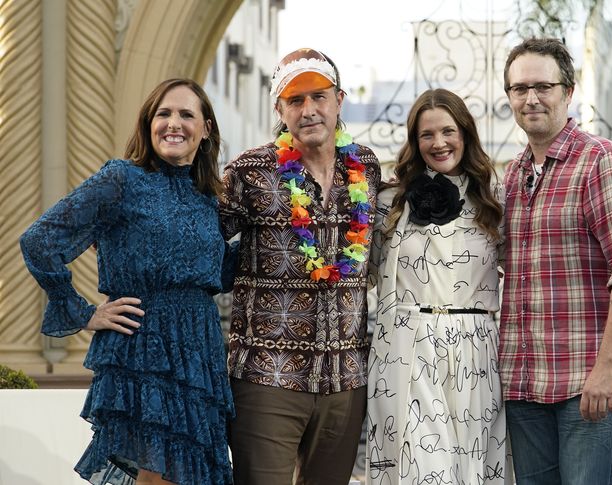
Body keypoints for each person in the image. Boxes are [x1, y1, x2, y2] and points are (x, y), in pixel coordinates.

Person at [20, 78, 235, 485]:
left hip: (200, 350)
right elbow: (40, 241)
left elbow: (214, 274)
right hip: (145, 347)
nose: (174, 123)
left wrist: (279, 238)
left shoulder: (208, 197)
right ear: (147, 124)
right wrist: (83, 313)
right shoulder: (122, 179)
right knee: (156, 477)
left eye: (186, 114)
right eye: (163, 114)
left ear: (205, 129)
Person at [219, 48, 381, 485]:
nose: (309, 110)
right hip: (267, 377)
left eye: (319, 97)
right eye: (295, 100)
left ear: (339, 100)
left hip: (345, 380)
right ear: (279, 109)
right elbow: (198, 245)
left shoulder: (364, 167)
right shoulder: (250, 172)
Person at [500, 38, 612, 485]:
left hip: (589, 381)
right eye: (519, 88)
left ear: (567, 93)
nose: (531, 98)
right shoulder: (513, 176)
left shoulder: (602, 162)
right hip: (526, 383)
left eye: (543, 86)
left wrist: (608, 368)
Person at [366, 88, 511, 484]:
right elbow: (365, 270)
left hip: (476, 350)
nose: (439, 143)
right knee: (421, 471)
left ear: (465, 134)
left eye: (448, 131)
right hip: (408, 346)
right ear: (415, 142)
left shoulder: (494, 201)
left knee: (475, 469)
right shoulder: (388, 202)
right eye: (426, 134)